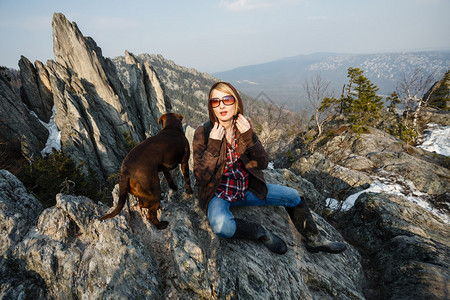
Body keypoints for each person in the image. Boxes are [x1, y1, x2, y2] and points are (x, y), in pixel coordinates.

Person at [192, 82, 346, 255]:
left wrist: (249, 137)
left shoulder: (243, 126)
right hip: (219, 195)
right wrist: (213, 145)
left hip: (247, 189)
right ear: (211, 106)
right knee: (222, 226)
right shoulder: (203, 133)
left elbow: (262, 163)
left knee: (293, 196)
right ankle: (261, 233)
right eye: (215, 101)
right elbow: (201, 177)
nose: (221, 105)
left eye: (226, 99)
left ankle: (315, 240)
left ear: (236, 103)